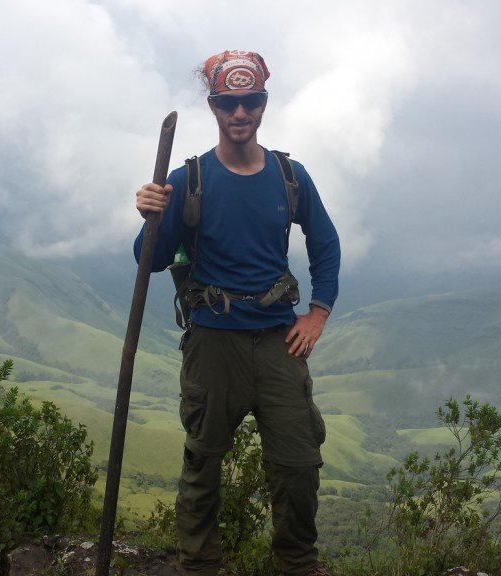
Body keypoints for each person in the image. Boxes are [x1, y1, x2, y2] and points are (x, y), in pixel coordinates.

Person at [134, 50, 340, 576]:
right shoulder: (189, 180)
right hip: (212, 339)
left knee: (298, 462)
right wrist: (151, 217)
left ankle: (295, 563)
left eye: (250, 102)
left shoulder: (289, 175)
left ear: (264, 104)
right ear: (214, 107)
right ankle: (200, 566)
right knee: (204, 459)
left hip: (277, 337)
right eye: (229, 103)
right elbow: (152, 260)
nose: (240, 113)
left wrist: (316, 313)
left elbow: (326, 242)